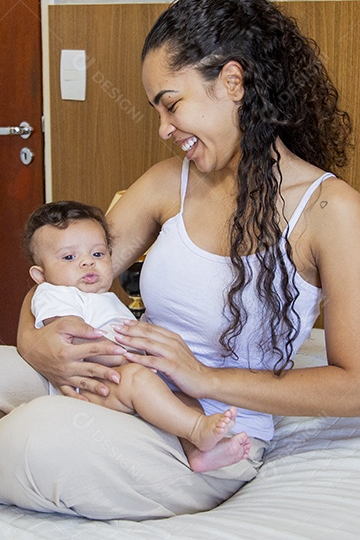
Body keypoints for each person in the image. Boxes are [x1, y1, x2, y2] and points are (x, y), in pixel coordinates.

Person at [0, 0, 360, 520]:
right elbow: (66, 267)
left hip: (206, 434)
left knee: (37, 440)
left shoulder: (329, 210)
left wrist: (203, 379)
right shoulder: (165, 185)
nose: (163, 128)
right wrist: (32, 341)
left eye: (171, 105)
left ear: (232, 83)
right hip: (120, 380)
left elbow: (357, 387)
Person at [24, 199, 252, 472]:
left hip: (124, 376)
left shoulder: (104, 298)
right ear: (40, 274)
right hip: (90, 386)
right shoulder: (54, 294)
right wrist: (125, 356)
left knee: (181, 394)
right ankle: (196, 429)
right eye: (69, 257)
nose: (87, 263)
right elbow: (72, 340)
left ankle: (199, 452)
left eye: (98, 254)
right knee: (140, 380)